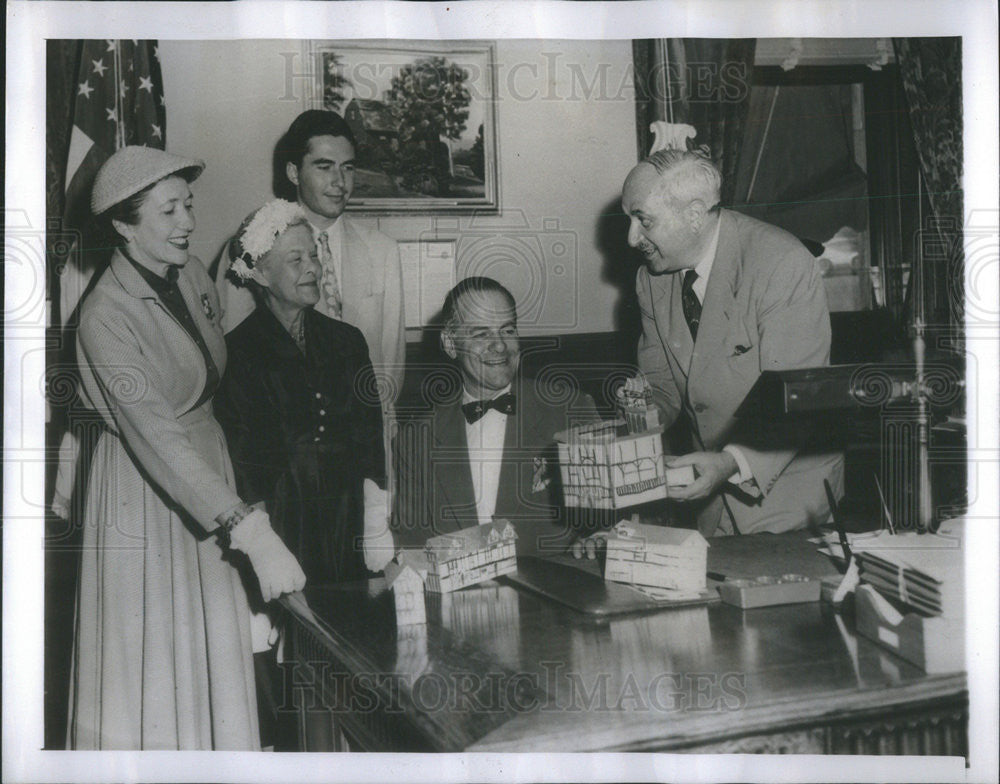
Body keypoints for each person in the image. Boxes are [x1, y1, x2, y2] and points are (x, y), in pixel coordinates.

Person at [68, 146, 305, 750]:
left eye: (189, 205)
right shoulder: (104, 316)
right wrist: (249, 532)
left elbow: (215, 375)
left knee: (212, 661)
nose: (188, 222)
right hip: (143, 492)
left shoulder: (192, 274)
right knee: (152, 668)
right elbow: (158, 435)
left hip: (206, 473)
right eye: (169, 209)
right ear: (123, 224)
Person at [214, 199, 394, 749]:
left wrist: (375, 519)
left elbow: (368, 437)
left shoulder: (347, 341)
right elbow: (243, 458)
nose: (311, 268)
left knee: (357, 659)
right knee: (292, 672)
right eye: (293, 260)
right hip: (282, 525)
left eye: (312, 254)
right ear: (259, 273)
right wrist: (261, 545)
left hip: (344, 520)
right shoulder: (236, 353)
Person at [620, 148, 843, 536]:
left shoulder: (781, 263)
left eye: (644, 220)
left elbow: (797, 400)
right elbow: (662, 383)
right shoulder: (651, 279)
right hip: (709, 503)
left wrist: (727, 463)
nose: (631, 238)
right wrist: (640, 415)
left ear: (693, 214)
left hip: (788, 501)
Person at [392, 276, 602, 556]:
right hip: (459, 596)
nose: (500, 345)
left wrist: (599, 536)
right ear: (450, 343)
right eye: (481, 334)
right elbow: (412, 543)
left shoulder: (568, 409)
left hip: (555, 590)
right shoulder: (415, 439)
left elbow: (611, 513)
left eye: (508, 330)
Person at [216, 110, 405, 411]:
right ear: (293, 173)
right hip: (284, 438)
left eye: (348, 168)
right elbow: (232, 355)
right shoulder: (253, 246)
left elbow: (391, 365)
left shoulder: (383, 251)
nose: (340, 182)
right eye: (324, 167)